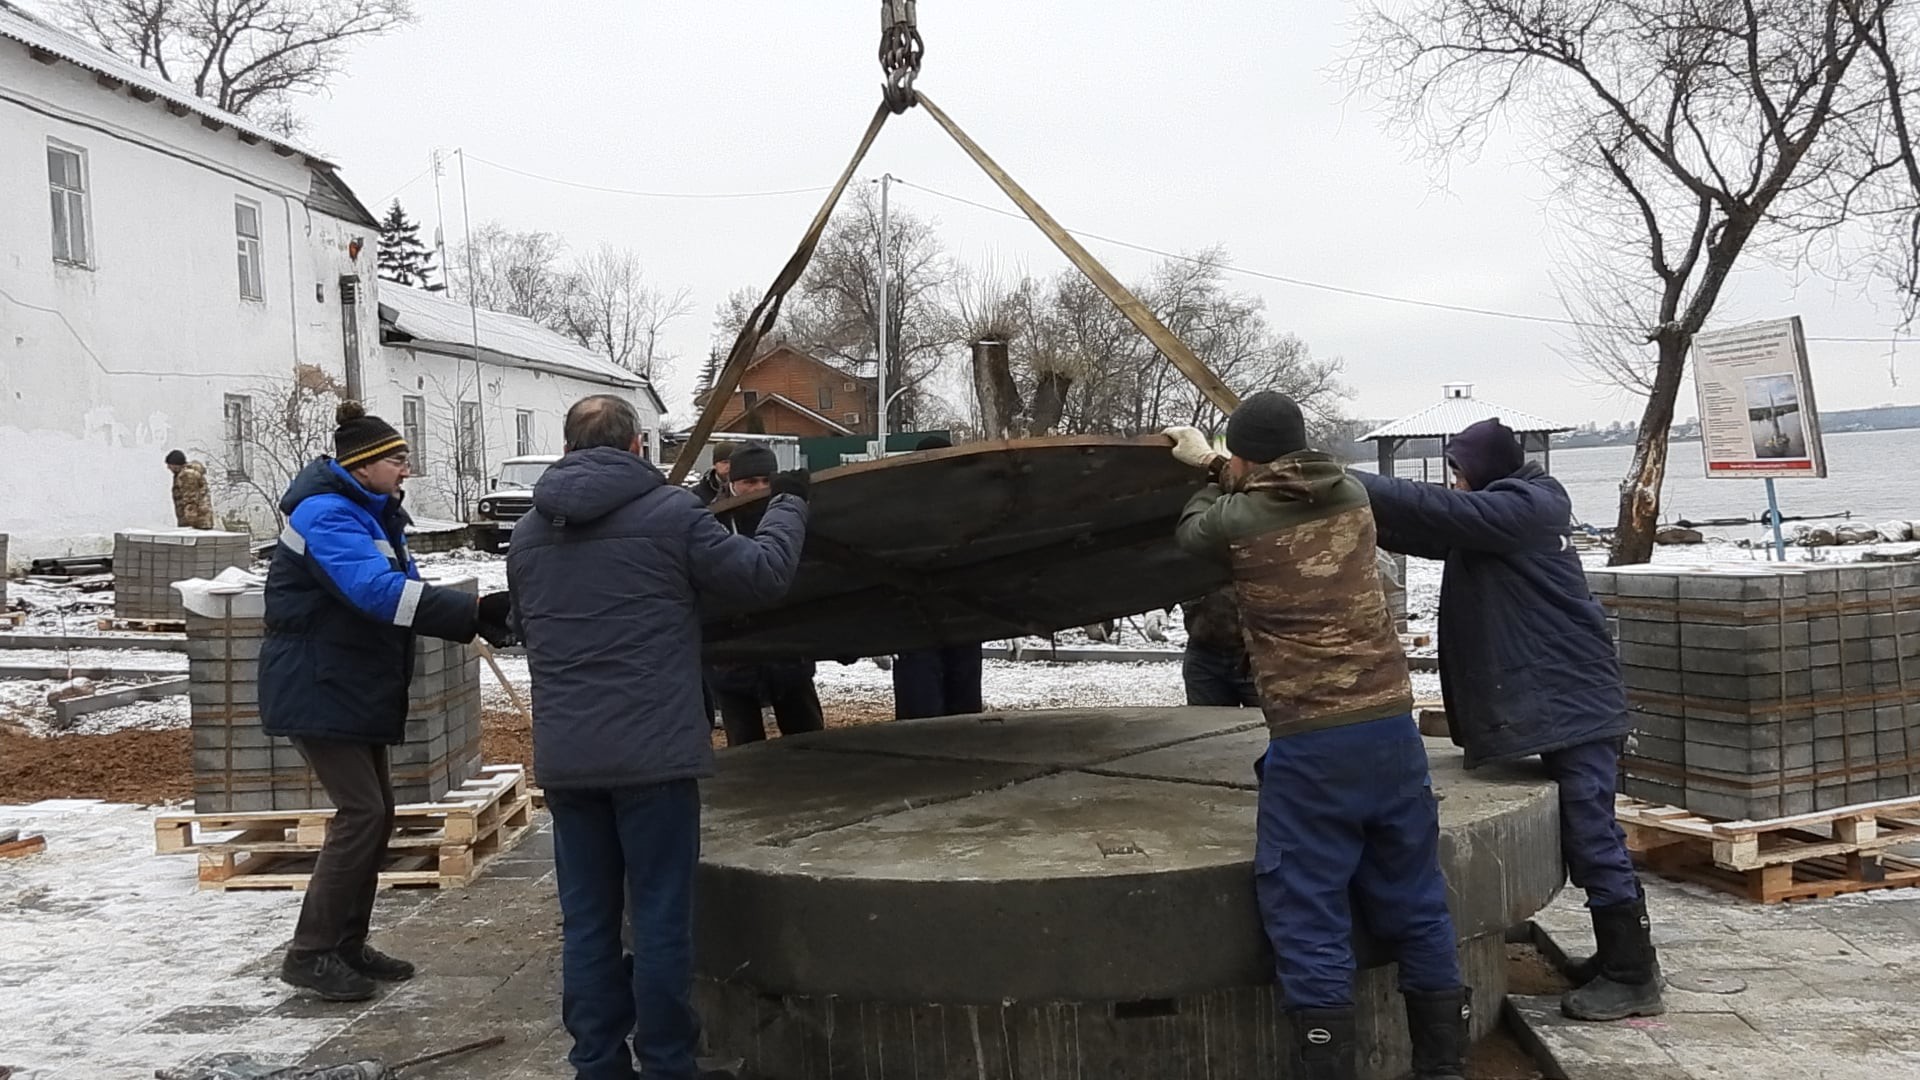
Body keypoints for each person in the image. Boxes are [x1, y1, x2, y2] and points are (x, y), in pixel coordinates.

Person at [1168, 391, 1468, 1080]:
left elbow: (1194, 533)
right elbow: (1276, 488)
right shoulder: (1354, 497)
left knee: (1307, 911)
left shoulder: (1237, 519)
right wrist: (1228, 463)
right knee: (1417, 899)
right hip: (1392, 727)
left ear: (1246, 456)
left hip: (1313, 739)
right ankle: (1444, 1066)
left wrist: (1202, 470)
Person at [507, 397, 806, 1080]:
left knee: (587, 924)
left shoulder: (527, 534)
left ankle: (597, 1064)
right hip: (654, 757)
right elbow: (763, 576)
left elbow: (530, 624)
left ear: (566, 445)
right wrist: (788, 503)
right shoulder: (671, 515)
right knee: (661, 919)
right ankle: (669, 1063)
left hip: (570, 762)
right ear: (638, 447)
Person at [1355, 418, 1662, 1023]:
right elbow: (1426, 523)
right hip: (1563, 702)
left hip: (1575, 704)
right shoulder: (1501, 518)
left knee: (1593, 836)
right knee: (1588, 833)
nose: (1455, 485)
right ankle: (1619, 959)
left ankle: (1632, 974)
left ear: (1488, 470)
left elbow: (1433, 507)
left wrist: (1332, 474)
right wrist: (1351, 509)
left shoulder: (1527, 508)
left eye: (1461, 474)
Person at [260, 402, 514, 1003]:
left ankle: (346, 944)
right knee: (362, 814)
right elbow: (375, 592)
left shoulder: (370, 514)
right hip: (318, 683)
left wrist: (471, 618)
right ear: (364, 464)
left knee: (378, 813)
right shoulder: (327, 514)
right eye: (399, 460)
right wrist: (469, 611)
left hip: (345, 683)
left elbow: (403, 588)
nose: (406, 470)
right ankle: (311, 952)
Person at [705, 444, 826, 746]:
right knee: (744, 749)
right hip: (733, 662)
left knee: (811, 743)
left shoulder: (792, 516)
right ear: (732, 482)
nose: (759, 489)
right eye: (750, 482)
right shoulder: (710, 523)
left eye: (765, 481)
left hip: (789, 656)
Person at [891, 435, 986, 719]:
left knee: (963, 715)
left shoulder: (970, 509)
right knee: (922, 716)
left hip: (962, 624)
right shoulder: (899, 511)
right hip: (916, 629)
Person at [1178, 585, 1259, 707]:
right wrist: (1157, 609)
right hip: (1203, 653)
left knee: (1269, 718)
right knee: (1207, 720)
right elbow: (1170, 576)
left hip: (1256, 651)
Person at [166, 448, 214, 529]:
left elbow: (190, 499)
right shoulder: (184, 474)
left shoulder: (186, 475)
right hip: (199, 518)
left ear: (175, 464)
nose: (168, 467)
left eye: (169, 465)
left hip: (197, 521)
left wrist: (190, 523)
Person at [693, 440, 737, 506]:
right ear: (714, 464)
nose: (729, 466)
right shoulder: (699, 493)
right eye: (725, 462)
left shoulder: (745, 488)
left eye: (734, 462)